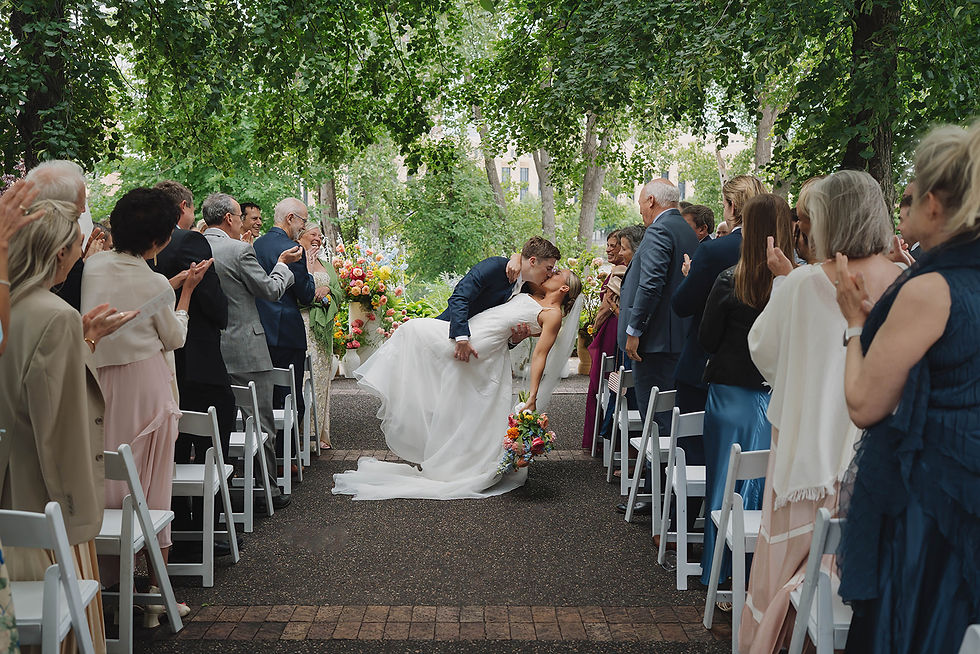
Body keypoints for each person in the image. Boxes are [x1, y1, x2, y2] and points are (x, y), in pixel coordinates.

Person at [741, 170, 902, 653]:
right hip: (873, 465)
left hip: (804, 464)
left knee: (781, 581)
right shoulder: (908, 284)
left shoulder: (802, 284)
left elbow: (762, 351)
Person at [834, 122, 980, 654]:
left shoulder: (930, 288)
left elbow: (865, 404)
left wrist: (854, 325)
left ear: (937, 205)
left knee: (915, 627)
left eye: (914, 189)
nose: (907, 200)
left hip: (932, 501)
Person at [0, 198, 135, 654]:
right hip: (41, 496)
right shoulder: (56, 316)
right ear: (58, 252)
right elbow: (62, 420)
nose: (82, 254)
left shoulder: (11, 305)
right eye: (78, 245)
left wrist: (86, 337)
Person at [333, 269, 581, 500]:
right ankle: (454, 460)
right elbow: (517, 282)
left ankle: (464, 464)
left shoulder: (553, 315)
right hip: (475, 336)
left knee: (415, 331)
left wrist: (533, 395)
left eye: (559, 273)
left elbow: (540, 355)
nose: (552, 271)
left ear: (564, 289)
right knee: (460, 399)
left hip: (481, 348)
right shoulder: (531, 290)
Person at [81, 187, 211, 624]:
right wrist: (184, 294)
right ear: (159, 241)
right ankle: (157, 593)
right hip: (146, 385)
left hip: (99, 383)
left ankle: (107, 594)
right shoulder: (155, 282)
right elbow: (175, 337)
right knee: (153, 490)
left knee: (106, 483)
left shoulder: (92, 267)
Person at [697, 193, 791, 589]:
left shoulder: (729, 281)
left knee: (724, 481)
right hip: (777, 397)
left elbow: (707, 339)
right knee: (762, 485)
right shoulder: (796, 285)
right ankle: (755, 575)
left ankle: (719, 574)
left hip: (730, 395)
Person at [149, 181, 235, 547]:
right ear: (183, 207)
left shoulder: (145, 247)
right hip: (199, 358)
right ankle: (208, 528)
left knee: (175, 446)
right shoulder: (191, 243)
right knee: (214, 440)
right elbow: (216, 306)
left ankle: (176, 527)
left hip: (162, 364)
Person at [204, 192, 301, 509]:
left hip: (211, 347)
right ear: (230, 218)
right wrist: (282, 266)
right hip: (247, 346)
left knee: (219, 425)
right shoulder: (238, 250)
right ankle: (266, 492)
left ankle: (224, 493)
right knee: (259, 422)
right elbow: (271, 290)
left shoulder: (196, 246)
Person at [619, 179, 699, 423]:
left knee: (656, 419)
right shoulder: (685, 229)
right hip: (676, 339)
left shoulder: (659, 229)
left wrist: (635, 330)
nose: (641, 209)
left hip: (655, 342)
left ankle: (658, 464)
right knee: (671, 416)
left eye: (641, 203)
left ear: (651, 201)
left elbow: (651, 283)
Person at [253, 198, 317, 446]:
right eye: (302, 220)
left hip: (260, 329)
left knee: (264, 396)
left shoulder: (256, 246)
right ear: (290, 218)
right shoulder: (294, 250)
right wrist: (309, 272)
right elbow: (306, 294)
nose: (303, 226)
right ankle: (284, 454)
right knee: (291, 397)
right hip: (288, 332)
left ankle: (264, 453)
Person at [438, 236, 560, 362]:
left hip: (479, 354)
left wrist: (513, 341)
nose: (550, 274)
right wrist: (461, 338)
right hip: (446, 335)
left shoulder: (527, 292)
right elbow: (459, 297)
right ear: (533, 261)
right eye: (549, 268)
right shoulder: (495, 267)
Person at [297, 223, 343, 449]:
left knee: (322, 379)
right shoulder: (295, 261)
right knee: (306, 378)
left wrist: (328, 291)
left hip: (323, 330)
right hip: (303, 324)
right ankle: (301, 434)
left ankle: (318, 434)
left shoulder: (326, 265)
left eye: (320, 236)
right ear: (301, 236)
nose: (317, 239)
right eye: (313, 234)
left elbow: (340, 293)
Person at [582, 229, 627, 450]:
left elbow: (607, 305)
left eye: (614, 245)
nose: (608, 249)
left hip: (611, 328)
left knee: (603, 379)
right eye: (607, 245)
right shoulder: (618, 269)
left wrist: (594, 327)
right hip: (612, 326)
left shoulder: (619, 270)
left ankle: (600, 438)